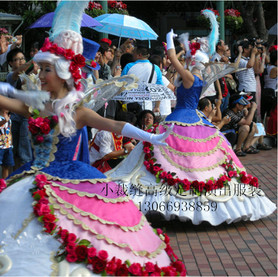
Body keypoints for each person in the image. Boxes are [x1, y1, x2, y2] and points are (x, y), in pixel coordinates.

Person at [0, 2, 185, 276]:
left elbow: (116, 125)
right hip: (36, 175)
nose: (41, 75)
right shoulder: (38, 106)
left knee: (81, 230)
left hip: (73, 178)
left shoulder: (77, 111)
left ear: (63, 74)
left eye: (47, 70)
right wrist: (7, 89)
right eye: (42, 69)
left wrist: (150, 136)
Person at [107, 28, 276, 226]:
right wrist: (186, 51)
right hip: (191, 119)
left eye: (195, 62)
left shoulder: (190, 78)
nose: (195, 64)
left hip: (181, 119)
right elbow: (176, 69)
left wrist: (170, 40)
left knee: (179, 162)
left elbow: (171, 57)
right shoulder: (195, 78)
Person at [6, 48, 35, 168]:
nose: (21, 61)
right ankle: (15, 177)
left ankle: (24, 176)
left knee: (24, 150)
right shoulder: (10, 76)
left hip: (26, 117)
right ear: (10, 63)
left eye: (22, 58)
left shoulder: (31, 75)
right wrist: (33, 60)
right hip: (14, 116)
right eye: (16, 60)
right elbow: (18, 72)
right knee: (14, 151)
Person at [0, 106, 14, 186]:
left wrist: (11, 144)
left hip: (8, 146)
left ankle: (4, 185)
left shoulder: (9, 120)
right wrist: (4, 121)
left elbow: (9, 132)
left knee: (6, 166)